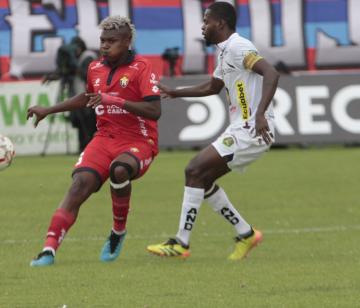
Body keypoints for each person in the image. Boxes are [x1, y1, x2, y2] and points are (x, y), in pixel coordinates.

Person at [146, 2, 279, 261]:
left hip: (251, 129)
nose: (202, 27)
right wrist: (176, 92)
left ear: (220, 23)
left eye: (206, 21)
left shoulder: (239, 47)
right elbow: (212, 86)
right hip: (242, 127)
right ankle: (246, 233)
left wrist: (260, 113)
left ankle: (181, 243)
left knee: (193, 169)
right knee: (202, 179)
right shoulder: (225, 52)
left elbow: (270, 73)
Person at [27, 16, 162, 267]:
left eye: (112, 41)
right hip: (103, 139)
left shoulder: (142, 67)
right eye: (102, 41)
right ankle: (48, 250)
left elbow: (155, 111)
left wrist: (116, 101)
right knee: (79, 185)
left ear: (128, 42)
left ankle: (118, 232)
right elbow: (87, 97)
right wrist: (49, 109)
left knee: (119, 170)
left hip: (139, 140)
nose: (105, 46)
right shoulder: (95, 68)